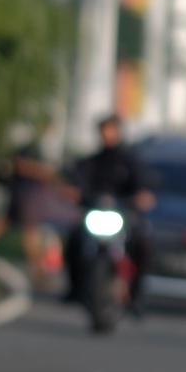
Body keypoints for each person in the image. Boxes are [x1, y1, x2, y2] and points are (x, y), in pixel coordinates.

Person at [69, 115, 154, 309]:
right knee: (74, 239)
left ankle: (137, 294)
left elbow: (143, 183)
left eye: (111, 130)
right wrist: (74, 192)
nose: (107, 135)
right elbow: (77, 181)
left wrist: (143, 195)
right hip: (96, 214)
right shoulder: (92, 161)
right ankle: (75, 289)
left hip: (123, 216)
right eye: (104, 131)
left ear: (118, 132)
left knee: (143, 242)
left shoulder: (130, 161)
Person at [0, 139, 67, 282]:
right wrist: (46, 173)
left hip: (25, 196)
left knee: (5, 223)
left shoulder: (35, 149)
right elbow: (22, 165)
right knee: (28, 230)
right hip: (25, 196)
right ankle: (37, 269)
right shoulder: (30, 151)